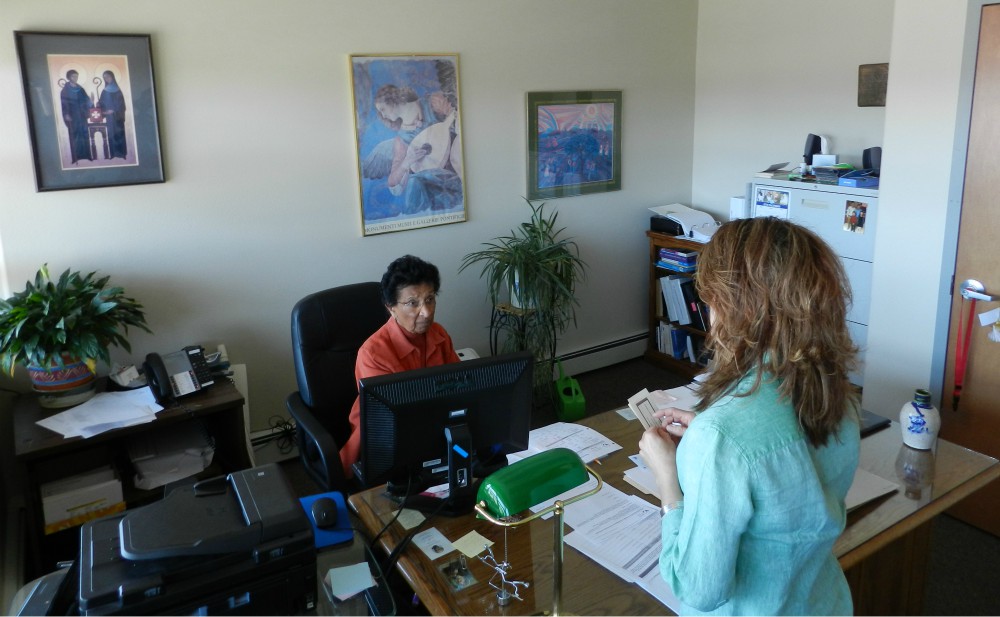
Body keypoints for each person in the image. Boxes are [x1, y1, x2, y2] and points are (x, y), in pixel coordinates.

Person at [638, 217, 861, 615]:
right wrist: (712, 437)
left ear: (734, 307)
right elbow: (789, 480)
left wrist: (668, 482)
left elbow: (699, 589)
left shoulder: (723, 435)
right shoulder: (838, 394)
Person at [339, 255, 461, 477]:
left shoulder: (439, 335)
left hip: (436, 426)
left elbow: (460, 385)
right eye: (412, 303)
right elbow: (389, 419)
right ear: (391, 308)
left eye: (430, 299)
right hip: (387, 438)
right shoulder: (373, 353)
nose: (426, 312)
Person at [60, 70, 92, 164]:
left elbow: (86, 100)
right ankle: (76, 157)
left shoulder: (80, 89)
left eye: (76, 76)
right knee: (75, 136)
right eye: (73, 76)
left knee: (85, 134)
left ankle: (87, 155)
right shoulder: (65, 90)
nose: (75, 78)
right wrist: (66, 114)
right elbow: (64, 104)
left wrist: (90, 101)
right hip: (73, 117)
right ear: (69, 77)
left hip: (82, 115)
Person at [98, 70, 128, 159]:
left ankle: (122, 154)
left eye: (108, 76)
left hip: (117, 117)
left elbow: (122, 105)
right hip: (109, 118)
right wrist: (99, 106)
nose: (107, 79)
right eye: (105, 78)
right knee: (111, 135)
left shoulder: (118, 90)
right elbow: (101, 104)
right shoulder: (104, 91)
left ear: (112, 77)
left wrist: (114, 110)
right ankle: (113, 154)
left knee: (119, 134)